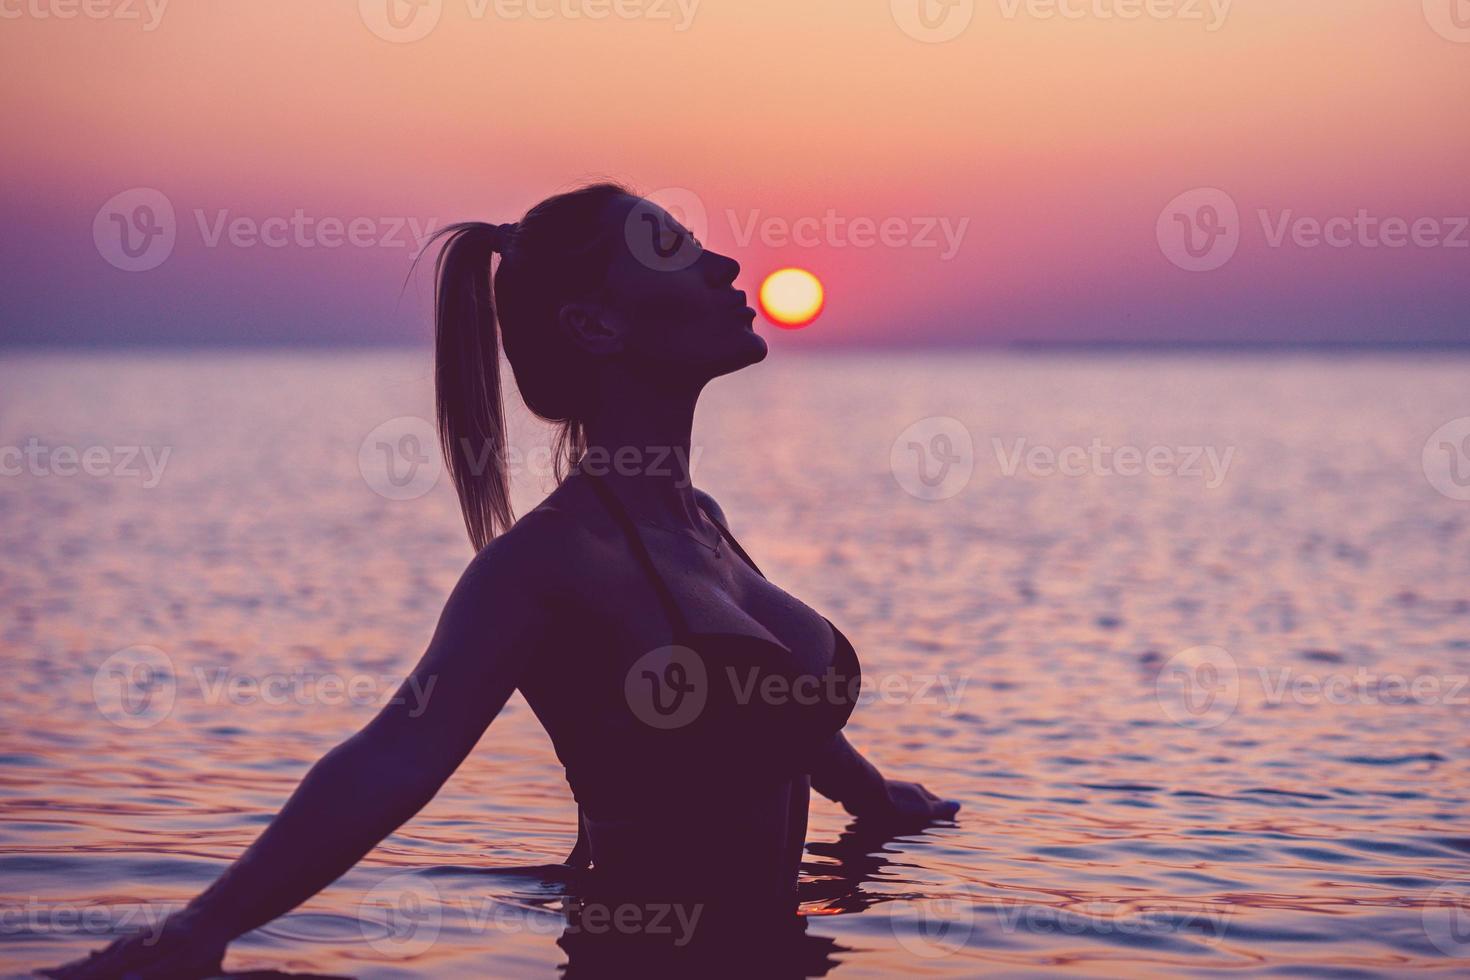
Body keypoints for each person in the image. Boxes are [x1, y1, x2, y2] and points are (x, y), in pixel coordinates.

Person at [41, 182, 959, 979]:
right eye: (674, 249)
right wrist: (201, 925)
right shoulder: (545, 564)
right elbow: (393, 755)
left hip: (785, 957)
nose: (722, 262)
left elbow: (768, 713)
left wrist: (879, 802)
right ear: (595, 323)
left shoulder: (703, 522)